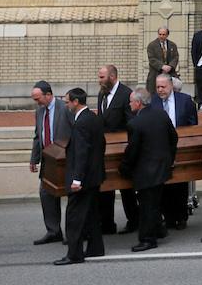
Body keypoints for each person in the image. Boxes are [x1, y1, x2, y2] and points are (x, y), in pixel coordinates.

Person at [119, 87, 178, 252]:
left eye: (131, 102)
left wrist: (124, 168)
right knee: (154, 203)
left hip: (146, 171)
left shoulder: (134, 124)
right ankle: (159, 230)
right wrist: (169, 159)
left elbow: (132, 151)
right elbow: (173, 137)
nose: (129, 104)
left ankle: (148, 239)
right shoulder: (161, 114)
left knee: (147, 206)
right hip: (162, 167)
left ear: (138, 103)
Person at [55, 88, 105, 265]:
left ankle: (74, 254)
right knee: (91, 213)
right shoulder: (93, 118)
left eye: (68, 101)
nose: (66, 104)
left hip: (82, 179)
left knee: (74, 216)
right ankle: (96, 248)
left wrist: (77, 179)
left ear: (76, 102)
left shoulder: (82, 122)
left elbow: (82, 152)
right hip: (94, 176)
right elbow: (100, 146)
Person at [149, 74, 197, 230]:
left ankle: (181, 217)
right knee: (163, 184)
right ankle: (167, 218)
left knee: (180, 184)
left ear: (170, 86)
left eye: (163, 87)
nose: (160, 90)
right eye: (158, 87)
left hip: (180, 147)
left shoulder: (185, 100)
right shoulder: (153, 101)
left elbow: (192, 124)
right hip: (159, 148)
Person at [95, 65, 137, 236]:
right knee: (106, 188)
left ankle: (134, 220)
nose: (99, 80)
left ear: (112, 77)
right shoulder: (102, 93)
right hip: (105, 149)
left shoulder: (126, 94)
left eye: (102, 77)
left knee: (127, 189)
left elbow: (132, 122)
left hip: (121, 148)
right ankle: (107, 224)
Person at [30, 80, 73, 245]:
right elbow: (37, 135)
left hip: (65, 159)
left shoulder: (65, 107)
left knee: (71, 196)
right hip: (48, 160)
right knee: (46, 193)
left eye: (38, 98)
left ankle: (73, 233)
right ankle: (53, 231)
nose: (36, 102)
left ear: (48, 95)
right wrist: (34, 159)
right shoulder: (39, 111)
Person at [146, 27, 179, 94]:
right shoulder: (151, 45)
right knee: (155, 95)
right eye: (160, 34)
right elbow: (151, 59)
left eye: (163, 34)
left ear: (167, 35)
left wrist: (170, 66)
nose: (161, 36)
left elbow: (175, 57)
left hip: (170, 74)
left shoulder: (172, 45)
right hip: (155, 74)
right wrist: (162, 66)